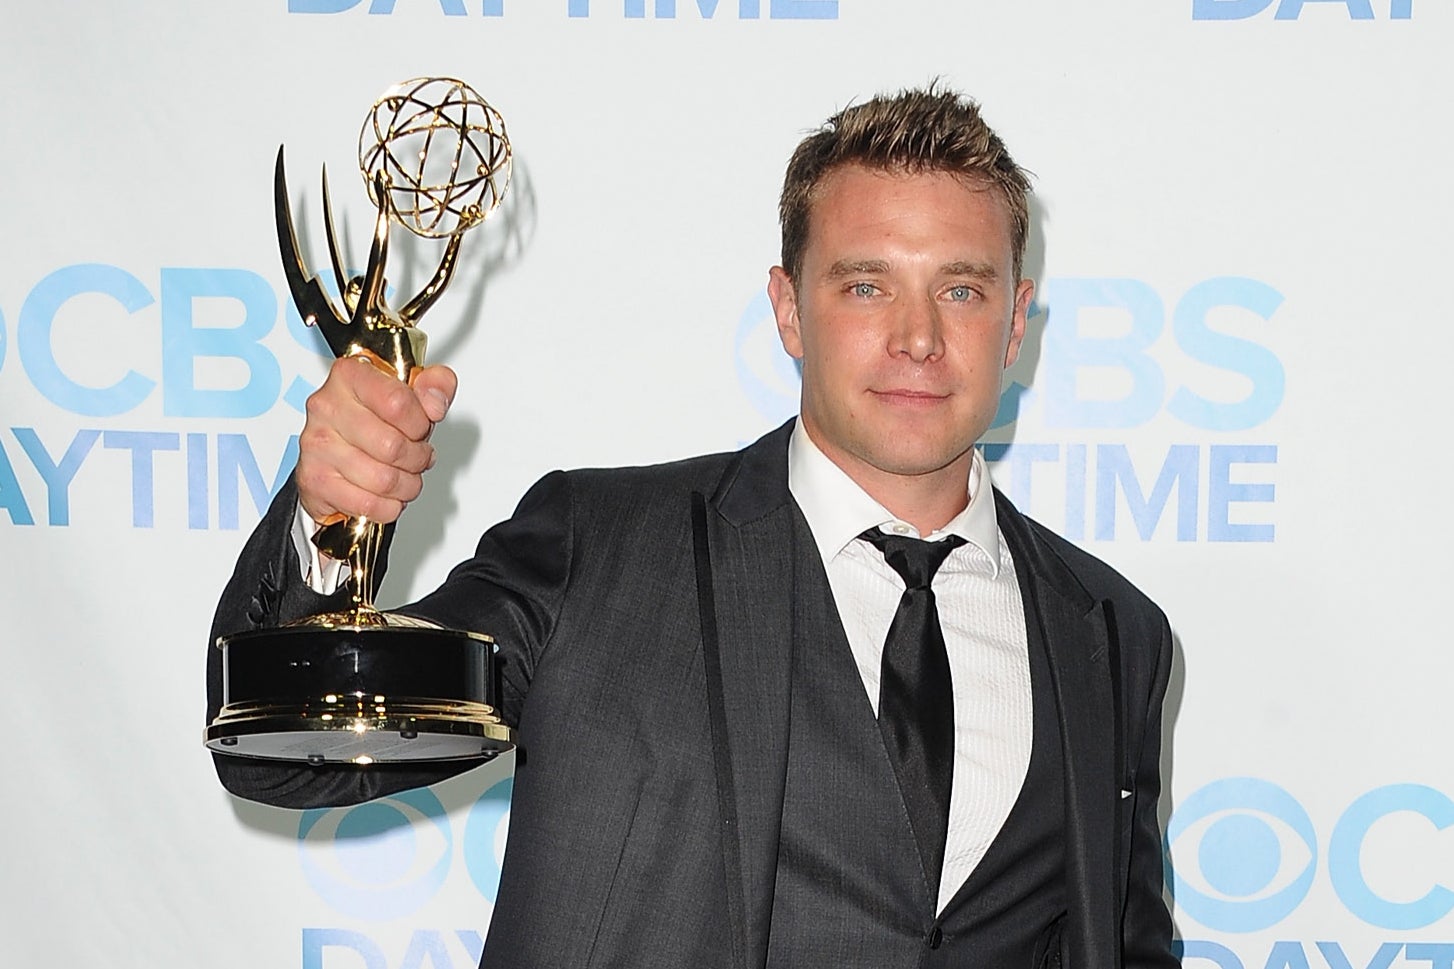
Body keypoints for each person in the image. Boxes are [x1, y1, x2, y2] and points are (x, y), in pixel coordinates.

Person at [209, 85, 1180, 969]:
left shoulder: (1108, 632)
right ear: (787, 309)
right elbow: (283, 762)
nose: (917, 337)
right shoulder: (596, 548)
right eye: (864, 284)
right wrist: (327, 524)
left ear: (1015, 326)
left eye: (960, 289)